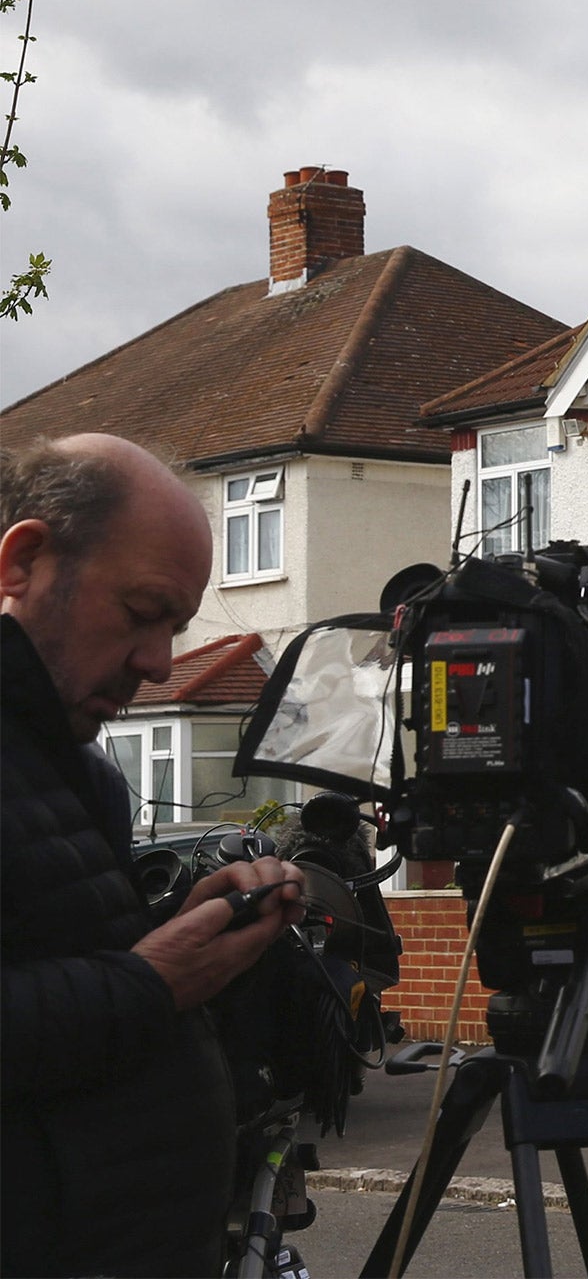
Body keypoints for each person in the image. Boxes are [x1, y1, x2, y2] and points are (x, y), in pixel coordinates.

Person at [2, 435, 306, 1278]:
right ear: (23, 561)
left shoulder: (80, 768)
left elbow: (67, 970)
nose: (160, 663)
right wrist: (156, 978)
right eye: (142, 614)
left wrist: (191, 929)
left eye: (175, 627)